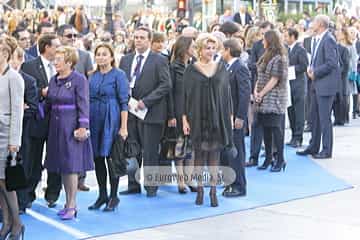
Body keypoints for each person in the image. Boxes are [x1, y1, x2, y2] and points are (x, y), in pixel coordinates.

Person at [119, 26, 171, 197]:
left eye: (142, 37)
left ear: (149, 40)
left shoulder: (159, 60)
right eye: (136, 37)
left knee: (149, 151)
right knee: (132, 150)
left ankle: (151, 187)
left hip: (151, 112)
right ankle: (133, 184)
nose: (138, 40)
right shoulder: (125, 60)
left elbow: (166, 85)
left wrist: (146, 101)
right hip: (130, 112)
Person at [183, 33, 233, 207]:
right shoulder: (191, 69)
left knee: (214, 155)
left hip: (217, 118)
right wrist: (184, 120)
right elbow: (185, 96)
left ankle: (213, 191)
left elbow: (226, 95)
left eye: (213, 48)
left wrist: (230, 117)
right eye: (207, 48)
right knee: (199, 156)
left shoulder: (221, 67)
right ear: (199, 49)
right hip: (196, 117)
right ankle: (200, 190)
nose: (210, 51)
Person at [44, 46, 94, 220]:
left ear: (69, 62)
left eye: (59, 59)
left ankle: (72, 204)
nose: (55, 62)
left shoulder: (79, 79)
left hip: (71, 127)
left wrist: (83, 126)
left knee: (71, 167)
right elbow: (48, 104)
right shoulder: (53, 80)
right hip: (55, 127)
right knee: (62, 166)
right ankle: (67, 203)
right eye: (55, 58)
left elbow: (84, 104)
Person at [21, 34, 61, 208]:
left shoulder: (62, 65)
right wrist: (41, 93)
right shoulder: (29, 65)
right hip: (37, 120)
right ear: (46, 47)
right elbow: (26, 89)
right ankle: (28, 194)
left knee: (55, 158)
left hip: (58, 120)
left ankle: (52, 194)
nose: (59, 49)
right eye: (56, 46)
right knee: (33, 159)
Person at [88, 43, 129, 211]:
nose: (101, 57)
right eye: (98, 54)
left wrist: (123, 127)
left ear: (112, 57)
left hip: (111, 119)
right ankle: (102, 194)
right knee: (97, 158)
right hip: (94, 118)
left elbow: (124, 102)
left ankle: (114, 196)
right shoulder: (92, 75)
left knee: (111, 159)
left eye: (105, 54)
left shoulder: (119, 75)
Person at [297, 15, 340, 159]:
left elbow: (332, 63)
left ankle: (327, 150)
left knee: (324, 119)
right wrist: (311, 68)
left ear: (321, 24)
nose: (311, 24)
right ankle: (313, 146)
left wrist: (315, 72)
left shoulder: (328, 39)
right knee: (314, 118)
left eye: (314, 22)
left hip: (326, 85)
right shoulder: (318, 39)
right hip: (317, 84)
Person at [0, 38, 25, 240]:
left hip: (6, 134)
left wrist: (14, 141)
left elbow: (18, 112)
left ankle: (17, 224)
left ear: (7, 54)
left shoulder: (14, 77)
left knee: (6, 180)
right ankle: (7, 223)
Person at [254, 30, 289, 172]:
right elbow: (260, 75)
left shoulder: (280, 58)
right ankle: (268, 158)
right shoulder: (265, 56)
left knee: (276, 129)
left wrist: (261, 93)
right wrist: (255, 91)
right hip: (262, 98)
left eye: (264, 39)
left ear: (270, 40)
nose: (262, 42)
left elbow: (275, 79)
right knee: (266, 129)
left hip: (274, 99)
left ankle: (280, 159)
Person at [221, 39, 251, 197]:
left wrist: (240, 117)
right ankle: (231, 183)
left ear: (228, 50)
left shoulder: (240, 67)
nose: (220, 53)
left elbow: (245, 93)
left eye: (221, 50)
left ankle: (239, 186)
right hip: (227, 117)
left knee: (236, 153)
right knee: (229, 152)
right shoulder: (229, 67)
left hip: (235, 118)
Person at [167, 36, 196, 193]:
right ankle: (181, 182)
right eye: (192, 46)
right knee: (179, 146)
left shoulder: (194, 66)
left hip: (193, 111)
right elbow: (169, 93)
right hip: (178, 110)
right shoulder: (173, 68)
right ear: (185, 48)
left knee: (192, 146)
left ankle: (190, 179)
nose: (195, 49)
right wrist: (171, 115)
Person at [246, 21, 274, 167]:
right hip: (258, 87)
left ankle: (273, 155)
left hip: (275, 91)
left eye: (266, 34)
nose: (264, 37)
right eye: (262, 34)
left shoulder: (279, 48)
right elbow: (251, 65)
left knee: (273, 124)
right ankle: (253, 156)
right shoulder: (257, 46)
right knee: (256, 123)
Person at [284, 28, 309, 147]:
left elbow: (304, 66)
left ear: (293, 37)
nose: (285, 38)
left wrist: (291, 69)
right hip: (288, 84)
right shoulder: (286, 49)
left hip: (298, 84)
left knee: (299, 112)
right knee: (291, 111)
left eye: (287, 36)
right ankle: (294, 135)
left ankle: (298, 137)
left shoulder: (300, 49)